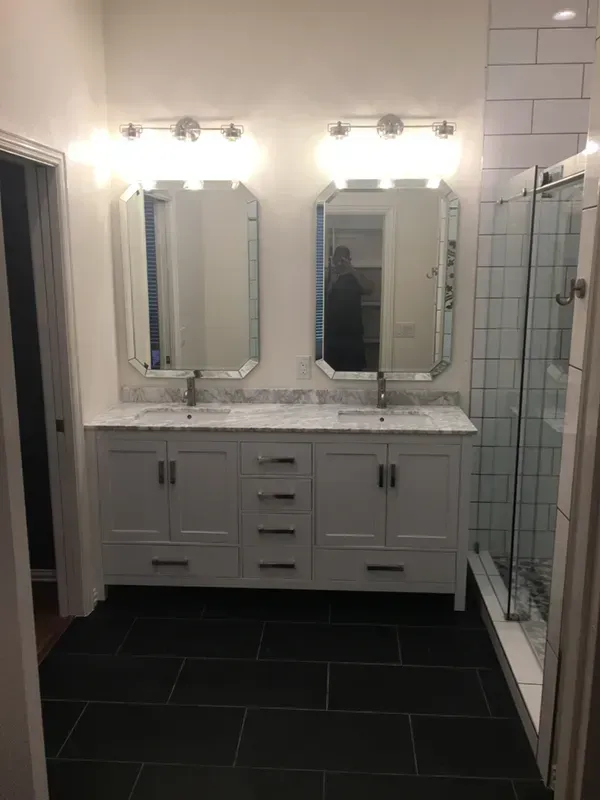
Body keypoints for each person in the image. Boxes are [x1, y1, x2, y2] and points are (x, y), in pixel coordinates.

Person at [324, 245, 373, 371]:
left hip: (353, 332)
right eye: (338, 258)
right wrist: (332, 282)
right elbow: (322, 301)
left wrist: (351, 270)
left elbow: (369, 289)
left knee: (353, 369)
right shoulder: (328, 276)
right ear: (333, 259)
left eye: (343, 259)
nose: (340, 262)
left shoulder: (355, 277)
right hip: (333, 332)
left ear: (349, 259)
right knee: (331, 370)